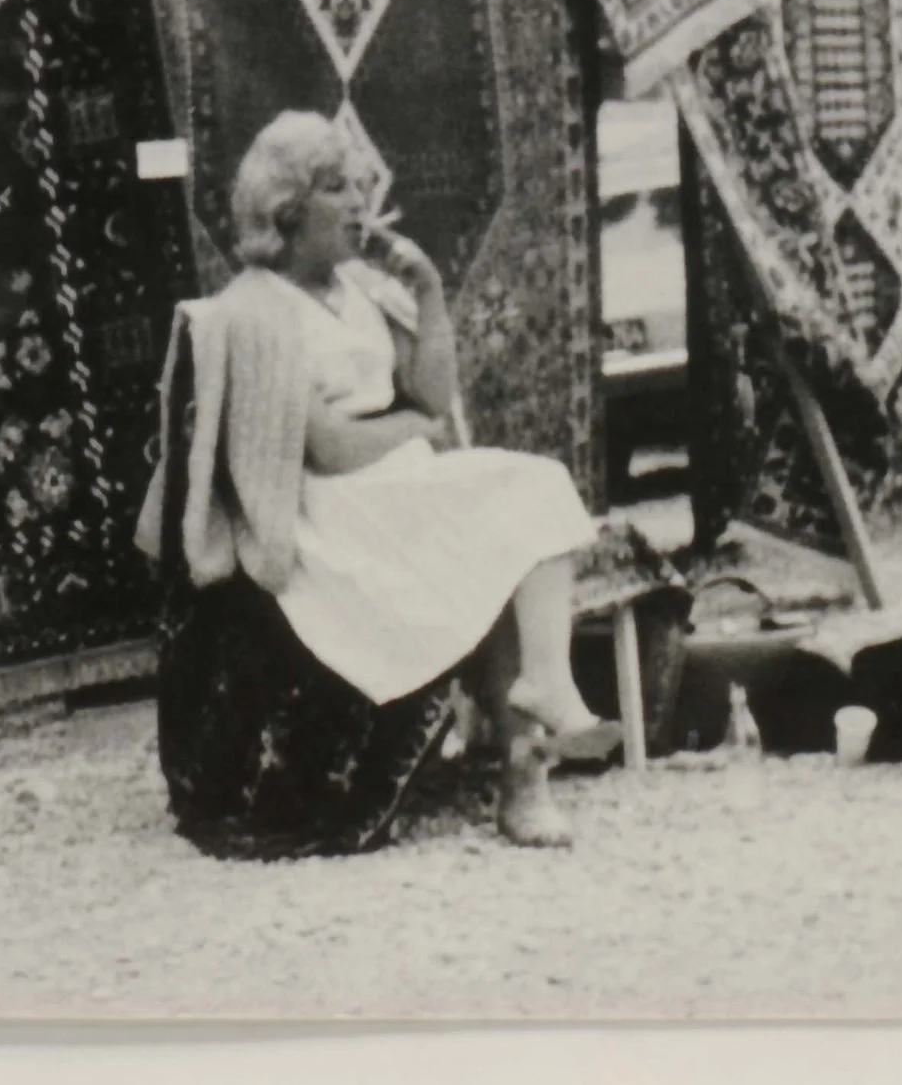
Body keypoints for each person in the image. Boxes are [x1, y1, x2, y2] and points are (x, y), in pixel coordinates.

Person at [137, 110, 618, 855]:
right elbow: (325, 448)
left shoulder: (358, 290)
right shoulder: (255, 312)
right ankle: (538, 713)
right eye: (337, 188)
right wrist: (416, 432)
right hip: (328, 511)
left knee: (527, 511)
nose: (361, 204)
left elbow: (432, 389)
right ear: (287, 212)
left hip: (393, 481)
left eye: (362, 185)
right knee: (524, 496)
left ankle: (530, 764)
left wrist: (426, 288)